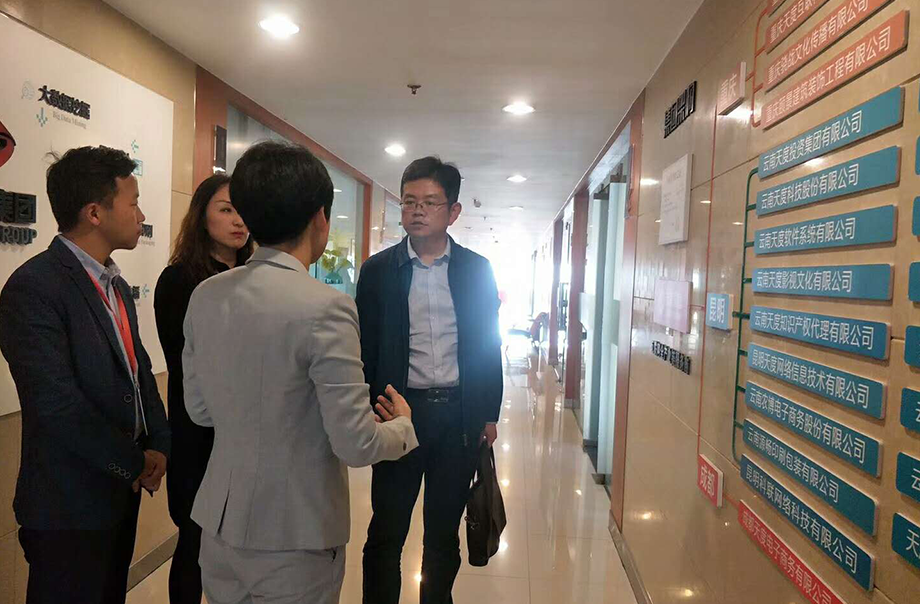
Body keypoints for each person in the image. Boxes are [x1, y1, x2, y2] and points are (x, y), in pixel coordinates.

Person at [182, 140, 419, 604]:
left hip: (220, 525)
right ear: (320, 218)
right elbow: (356, 443)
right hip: (297, 533)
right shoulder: (327, 306)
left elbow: (200, 410)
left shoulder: (207, 295)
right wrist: (403, 428)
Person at [0, 146, 170, 604]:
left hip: (119, 495)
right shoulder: (34, 287)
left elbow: (137, 373)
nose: (141, 216)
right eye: (133, 202)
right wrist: (132, 462)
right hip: (67, 507)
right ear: (95, 213)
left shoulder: (116, 285)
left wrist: (159, 442)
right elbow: (57, 406)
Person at [358, 156, 504, 604]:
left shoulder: (476, 270)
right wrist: (366, 408)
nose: (417, 210)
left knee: (442, 535)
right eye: (409, 201)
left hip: (457, 417)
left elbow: (487, 343)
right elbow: (364, 347)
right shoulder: (378, 271)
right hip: (397, 414)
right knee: (386, 531)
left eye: (430, 202)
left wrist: (488, 413)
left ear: (453, 212)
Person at [153, 173, 252, 604]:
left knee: (242, 550)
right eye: (226, 209)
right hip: (197, 431)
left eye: (243, 210)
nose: (238, 221)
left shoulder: (255, 277)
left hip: (248, 434)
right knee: (194, 542)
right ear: (202, 216)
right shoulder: (179, 280)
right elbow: (187, 364)